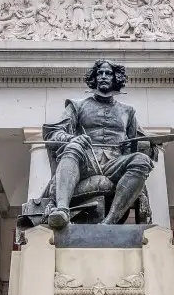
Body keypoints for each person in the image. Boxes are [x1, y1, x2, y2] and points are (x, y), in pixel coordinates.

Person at [42, 60, 155, 227]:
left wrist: (148, 144)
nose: (103, 77)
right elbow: (53, 134)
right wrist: (71, 139)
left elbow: (140, 142)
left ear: (116, 78)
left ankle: (109, 221)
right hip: (86, 162)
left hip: (116, 163)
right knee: (73, 147)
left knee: (141, 160)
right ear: (93, 78)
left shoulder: (128, 111)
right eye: (99, 73)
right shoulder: (77, 106)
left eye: (108, 73)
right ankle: (62, 211)